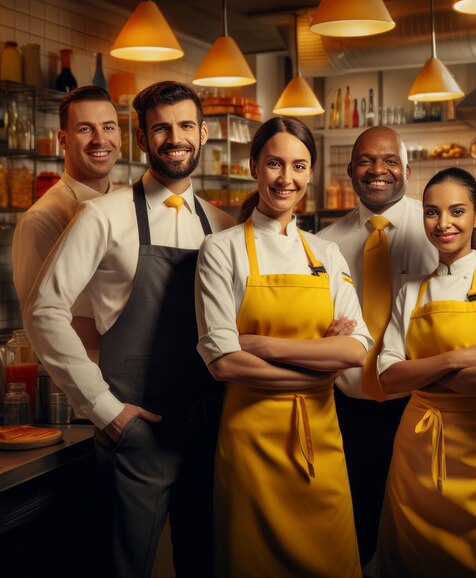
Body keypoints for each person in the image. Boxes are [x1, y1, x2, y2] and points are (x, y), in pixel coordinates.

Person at [24, 81, 234, 578]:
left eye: (185, 125)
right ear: (142, 140)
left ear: (204, 133)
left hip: (210, 430)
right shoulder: (103, 215)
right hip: (137, 433)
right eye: (161, 127)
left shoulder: (224, 226)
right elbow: (44, 310)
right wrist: (107, 412)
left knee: (206, 564)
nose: (174, 137)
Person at [195, 116, 372, 578]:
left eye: (298, 165)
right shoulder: (221, 250)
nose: (286, 178)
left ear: (310, 173)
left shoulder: (326, 254)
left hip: (322, 442)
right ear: (254, 166)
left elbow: (356, 350)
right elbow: (222, 362)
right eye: (274, 163)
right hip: (251, 443)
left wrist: (261, 346)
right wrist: (320, 371)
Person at [377, 167, 476, 578]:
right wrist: (456, 358)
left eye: (457, 211)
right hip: (415, 459)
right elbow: (387, 377)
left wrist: (418, 373)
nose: (443, 224)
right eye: (432, 212)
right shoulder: (410, 290)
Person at [317, 125, 437, 565]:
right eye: (365, 160)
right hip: (348, 406)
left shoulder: (436, 230)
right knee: (353, 522)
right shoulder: (324, 244)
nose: (377, 170)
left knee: (419, 527)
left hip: (421, 404)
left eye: (389, 160)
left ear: (407, 169)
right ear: (350, 169)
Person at [13, 85, 120, 358]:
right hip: (86, 383)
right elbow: (42, 323)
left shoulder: (129, 204)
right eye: (85, 129)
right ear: (63, 139)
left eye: (108, 127)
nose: (100, 140)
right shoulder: (40, 220)